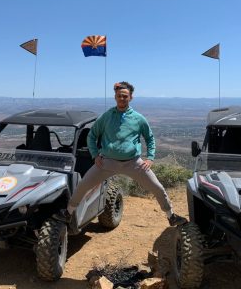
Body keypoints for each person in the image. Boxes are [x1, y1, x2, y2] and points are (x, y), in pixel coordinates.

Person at [57, 81, 187, 227]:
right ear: (115, 97)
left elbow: (150, 138)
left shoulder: (138, 118)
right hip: (106, 163)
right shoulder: (106, 116)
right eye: (119, 96)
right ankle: (68, 213)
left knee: (157, 188)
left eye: (125, 96)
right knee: (83, 185)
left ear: (130, 97)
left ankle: (171, 216)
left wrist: (150, 158)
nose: (122, 98)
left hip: (133, 163)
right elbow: (91, 136)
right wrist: (95, 155)